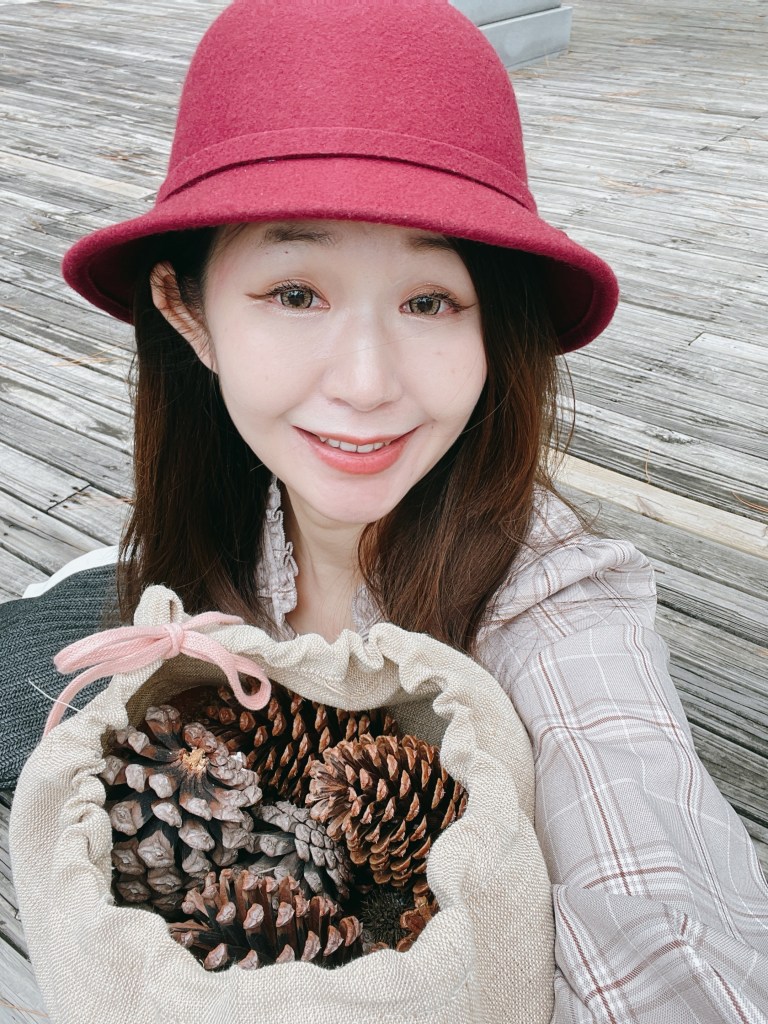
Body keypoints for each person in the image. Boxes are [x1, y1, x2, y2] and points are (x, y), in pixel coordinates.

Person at [2, 0, 767, 1019]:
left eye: (429, 301)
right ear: (190, 313)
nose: (365, 384)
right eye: (296, 293)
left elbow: (664, 931)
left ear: (496, 324)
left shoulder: (555, 606)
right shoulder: (227, 514)